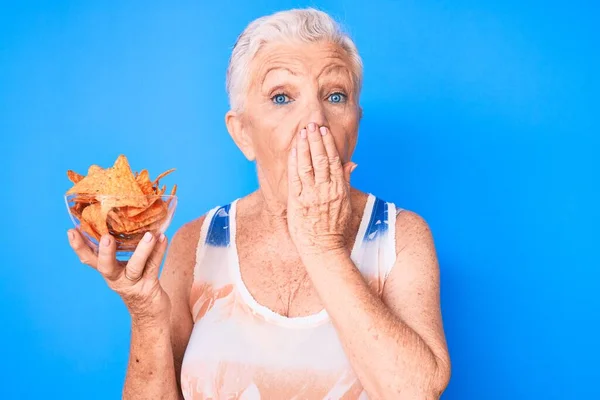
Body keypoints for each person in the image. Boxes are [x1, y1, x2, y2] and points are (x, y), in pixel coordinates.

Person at [67, 8, 451, 399]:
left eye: (336, 96)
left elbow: (415, 393)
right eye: (282, 97)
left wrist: (322, 245)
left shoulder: (399, 236)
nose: (314, 120)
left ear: (355, 122)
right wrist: (146, 312)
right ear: (242, 133)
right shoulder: (197, 244)